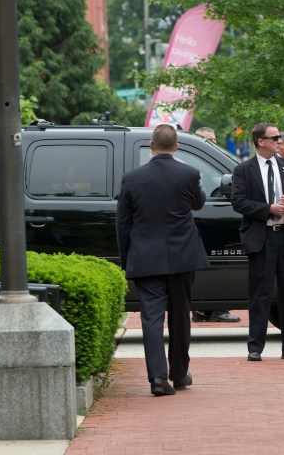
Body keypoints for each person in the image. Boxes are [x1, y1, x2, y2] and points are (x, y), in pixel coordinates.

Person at [116, 124, 210, 396]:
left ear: (151, 147)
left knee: (152, 319)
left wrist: (127, 259)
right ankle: (179, 374)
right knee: (181, 316)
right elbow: (198, 204)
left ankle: (158, 379)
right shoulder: (189, 173)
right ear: (177, 146)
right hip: (183, 256)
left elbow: (123, 223)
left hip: (145, 257)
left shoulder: (132, 178)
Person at [230, 123, 284, 361]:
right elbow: (238, 202)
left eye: (279, 137)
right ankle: (255, 347)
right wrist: (269, 209)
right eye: (274, 137)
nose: (279, 140)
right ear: (260, 141)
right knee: (260, 294)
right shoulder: (244, 170)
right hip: (262, 237)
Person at [191, 126, 241, 323]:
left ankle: (208, 309)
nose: (213, 143)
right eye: (208, 139)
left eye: (213, 139)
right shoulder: (195, 164)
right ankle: (210, 308)